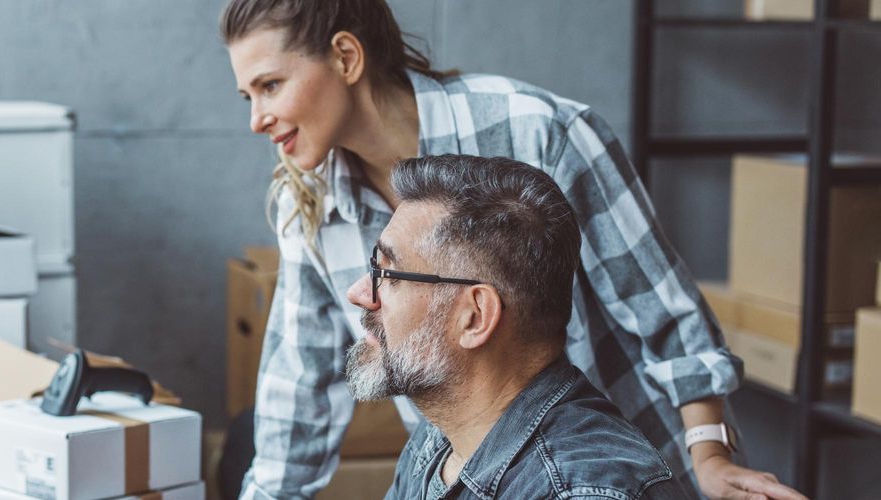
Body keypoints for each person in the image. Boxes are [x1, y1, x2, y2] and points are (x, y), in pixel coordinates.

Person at [219, 1, 805, 498]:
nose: (255, 119)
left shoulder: (535, 131)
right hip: (469, 472)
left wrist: (710, 457)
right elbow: (296, 387)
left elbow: (664, 310)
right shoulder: (308, 200)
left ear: (346, 57)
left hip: (615, 468)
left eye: (270, 85)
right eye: (247, 94)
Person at [347, 154, 684, 499]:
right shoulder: (441, 439)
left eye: (386, 274)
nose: (358, 293)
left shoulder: (581, 492)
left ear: (475, 317)